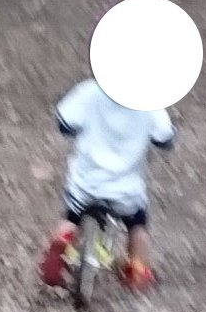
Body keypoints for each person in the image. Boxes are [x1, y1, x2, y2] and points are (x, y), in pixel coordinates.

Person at [39, 70, 176, 293]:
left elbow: (64, 122)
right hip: (125, 189)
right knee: (136, 224)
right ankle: (137, 269)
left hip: (86, 183)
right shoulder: (150, 102)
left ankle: (63, 238)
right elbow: (164, 137)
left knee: (72, 216)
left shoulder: (90, 91)